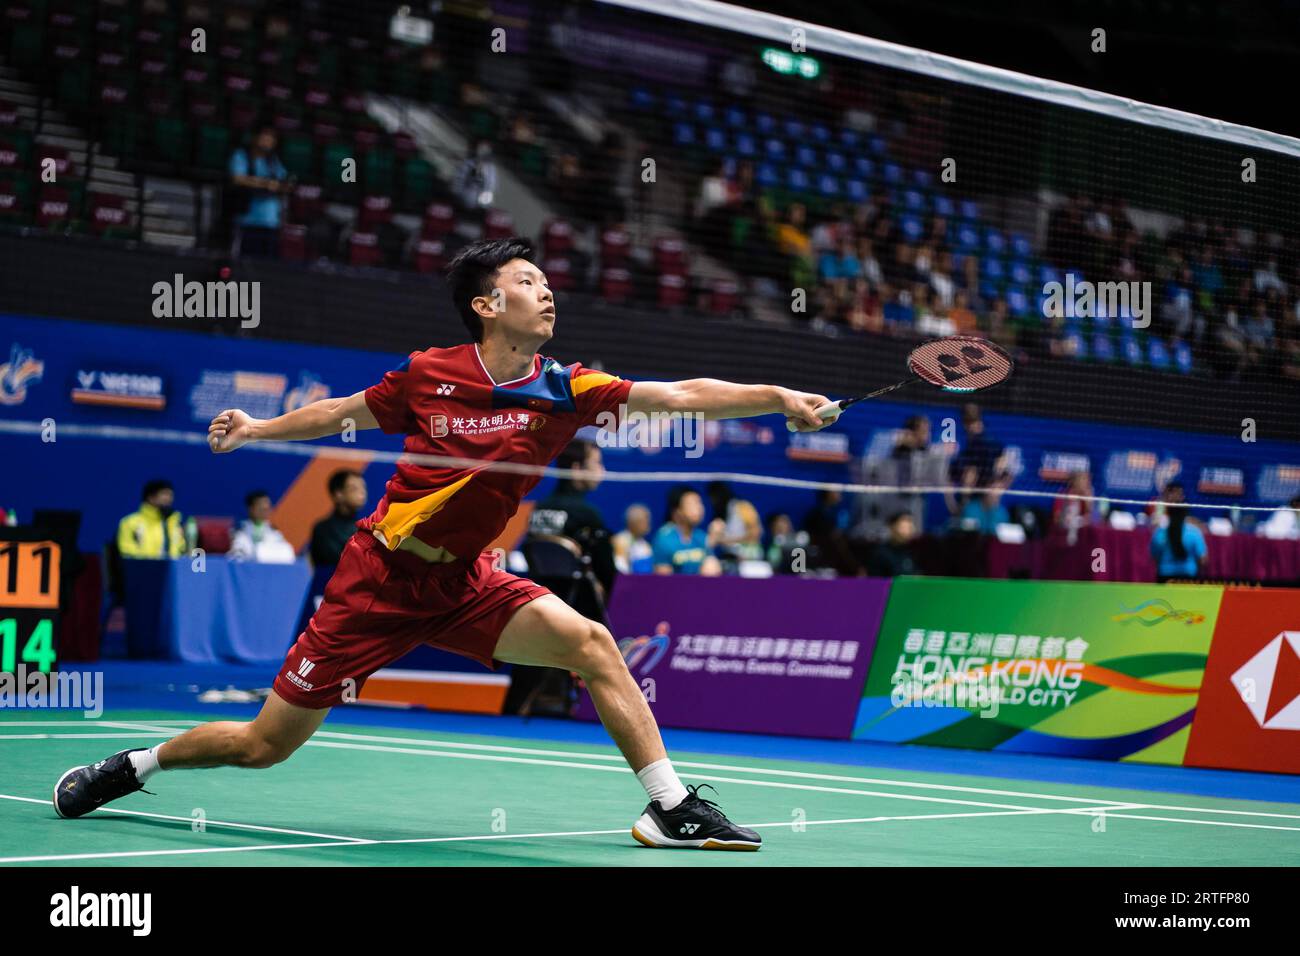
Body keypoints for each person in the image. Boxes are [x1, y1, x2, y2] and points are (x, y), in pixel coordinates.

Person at [55, 236, 836, 851]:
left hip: (465, 583)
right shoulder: (430, 373)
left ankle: (671, 808)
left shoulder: (565, 389)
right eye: (531, 282)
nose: (547, 292)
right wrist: (260, 426)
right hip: (377, 581)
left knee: (592, 644)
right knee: (265, 745)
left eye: (546, 283)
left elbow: (682, 395)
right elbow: (340, 415)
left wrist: (776, 397)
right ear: (487, 303)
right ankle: (130, 769)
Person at [527, 439, 616, 592]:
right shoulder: (586, 514)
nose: (603, 470)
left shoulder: (539, 508)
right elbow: (607, 572)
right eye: (597, 463)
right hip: (578, 604)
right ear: (576, 468)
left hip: (540, 596)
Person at [227, 126, 289, 259]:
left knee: (267, 265)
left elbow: (284, 183)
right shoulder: (242, 155)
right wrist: (267, 184)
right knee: (243, 262)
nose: (267, 141)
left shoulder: (273, 161)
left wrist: (279, 186)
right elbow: (238, 179)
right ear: (255, 138)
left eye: (271, 138)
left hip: (270, 222)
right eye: (264, 137)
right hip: (247, 220)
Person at [651, 486, 722, 576]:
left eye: (700, 503)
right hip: (676, 588)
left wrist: (713, 539)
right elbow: (663, 582)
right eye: (692, 504)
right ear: (677, 511)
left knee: (712, 563)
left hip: (702, 588)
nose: (700, 508)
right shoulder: (663, 539)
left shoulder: (702, 536)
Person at [309, 469, 368, 567]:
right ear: (338, 494)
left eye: (363, 488)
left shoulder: (366, 528)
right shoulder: (323, 529)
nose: (362, 492)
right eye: (354, 488)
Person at [116, 479, 185, 559]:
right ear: (150, 497)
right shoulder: (130, 523)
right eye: (164, 494)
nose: (168, 499)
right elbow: (127, 553)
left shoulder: (174, 523)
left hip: (173, 570)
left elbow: (181, 551)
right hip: (141, 569)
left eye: (170, 495)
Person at [228, 490, 296, 564]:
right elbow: (236, 555)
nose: (266, 509)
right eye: (261, 507)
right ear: (251, 509)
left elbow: (286, 553)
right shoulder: (240, 531)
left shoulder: (274, 531)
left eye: (267, 507)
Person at [1150, 503, 1207, 581]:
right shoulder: (1194, 532)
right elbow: (1202, 559)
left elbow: (1154, 556)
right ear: (1185, 514)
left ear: (1168, 513)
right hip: (1189, 578)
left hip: (1164, 577)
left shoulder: (1159, 532)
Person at [867, 511, 918, 577]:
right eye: (904, 525)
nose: (909, 529)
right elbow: (874, 582)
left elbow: (916, 577)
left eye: (910, 525)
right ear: (891, 526)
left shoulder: (912, 552)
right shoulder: (880, 553)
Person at [611, 504, 655, 574]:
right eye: (644, 520)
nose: (648, 524)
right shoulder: (620, 541)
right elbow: (621, 569)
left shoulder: (645, 544)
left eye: (648, 520)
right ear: (632, 522)